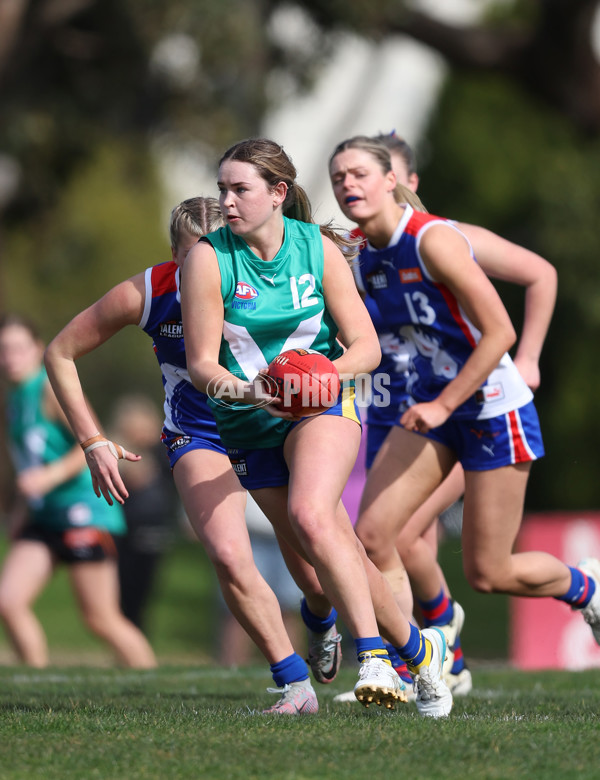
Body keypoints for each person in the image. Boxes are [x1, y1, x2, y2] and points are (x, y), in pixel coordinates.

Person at [180, 137, 453, 718]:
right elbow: (202, 364)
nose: (226, 200)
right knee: (325, 561)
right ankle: (419, 650)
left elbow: (367, 348)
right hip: (247, 420)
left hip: (322, 406)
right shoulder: (207, 257)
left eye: (240, 189)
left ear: (278, 193)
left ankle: (374, 656)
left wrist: (316, 378)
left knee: (313, 513)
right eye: (222, 188)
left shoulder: (317, 249)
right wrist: (253, 390)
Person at [44, 196, 343, 716]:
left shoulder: (267, 274)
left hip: (270, 426)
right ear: (176, 257)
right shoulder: (148, 291)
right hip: (198, 433)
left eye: (224, 251)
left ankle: (321, 620)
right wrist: (93, 440)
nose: (213, 265)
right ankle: (294, 685)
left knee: (314, 577)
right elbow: (60, 352)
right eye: (197, 256)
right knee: (228, 554)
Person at [328, 135, 600, 676]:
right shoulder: (357, 255)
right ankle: (419, 664)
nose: (347, 184)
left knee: (490, 572)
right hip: (428, 411)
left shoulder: (435, 240)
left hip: (490, 412)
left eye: (359, 173)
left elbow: (499, 330)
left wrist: (449, 400)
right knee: (376, 535)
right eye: (338, 177)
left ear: (392, 182)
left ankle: (587, 588)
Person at [0, 314, 157, 668]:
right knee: (8, 601)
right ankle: (35, 680)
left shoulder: (48, 389)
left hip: (84, 510)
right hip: (44, 516)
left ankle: (152, 686)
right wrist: (20, 512)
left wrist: (49, 477)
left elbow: (92, 442)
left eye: (17, 348)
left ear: (38, 349)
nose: (9, 357)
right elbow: (28, 464)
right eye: (3, 350)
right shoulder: (13, 402)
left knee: (100, 619)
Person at [108, 394, 179, 632]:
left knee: (141, 592)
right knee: (122, 592)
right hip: (122, 531)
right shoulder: (115, 454)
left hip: (153, 531)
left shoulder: (162, 453)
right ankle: (131, 643)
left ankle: (137, 641)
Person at [218, 493, 305, 666]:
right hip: (246, 530)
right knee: (238, 608)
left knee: (288, 608)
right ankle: (230, 667)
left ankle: (296, 670)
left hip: (289, 528)